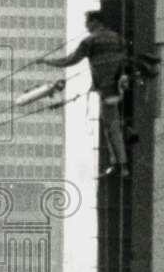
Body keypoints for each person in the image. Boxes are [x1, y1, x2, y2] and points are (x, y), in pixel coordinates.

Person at [42, 10, 130, 177]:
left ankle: (120, 166)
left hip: (107, 89)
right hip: (121, 86)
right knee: (115, 126)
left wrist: (47, 62)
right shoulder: (119, 39)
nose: (86, 26)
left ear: (95, 22)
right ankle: (120, 164)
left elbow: (70, 60)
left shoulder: (90, 41)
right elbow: (124, 61)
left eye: (87, 22)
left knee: (111, 127)